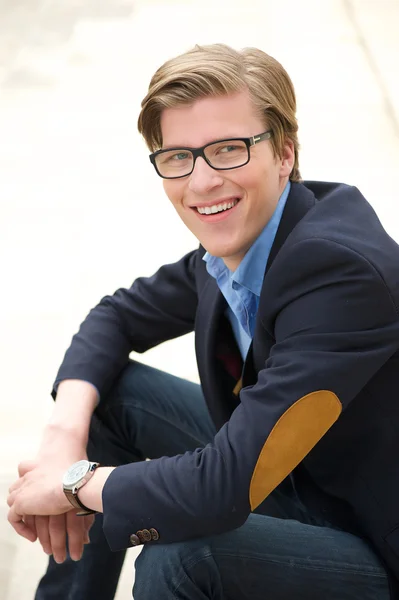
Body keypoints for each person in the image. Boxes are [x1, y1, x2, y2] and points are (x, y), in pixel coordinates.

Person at [7, 43, 399, 600]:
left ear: (285, 153)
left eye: (228, 149)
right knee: (107, 397)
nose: (202, 181)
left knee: (185, 557)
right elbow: (115, 316)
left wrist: (74, 486)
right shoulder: (245, 244)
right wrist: (62, 443)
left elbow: (222, 487)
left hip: (374, 542)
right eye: (178, 157)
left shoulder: (339, 273)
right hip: (294, 481)